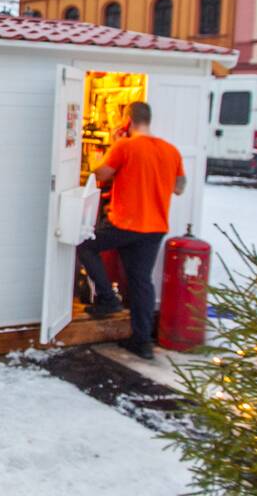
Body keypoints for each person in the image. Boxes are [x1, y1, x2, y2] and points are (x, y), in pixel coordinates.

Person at [76, 101, 186, 361]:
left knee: (86, 247)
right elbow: (180, 187)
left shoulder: (125, 146)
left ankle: (107, 298)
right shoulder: (171, 151)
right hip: (155, 226)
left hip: (125, 222)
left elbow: (100, 173)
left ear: (128, 120)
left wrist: (114, 147)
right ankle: (142, 341)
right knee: (141, 281)